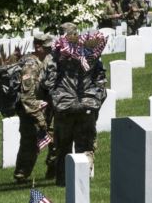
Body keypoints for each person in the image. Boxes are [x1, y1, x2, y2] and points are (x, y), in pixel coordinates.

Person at [44, 22, 107, 186]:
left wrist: (56, 101)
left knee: (64, 146)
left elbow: (48, 83)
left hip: (65, 107)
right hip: (85, 106)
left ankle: (64, 179)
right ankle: (81, 181)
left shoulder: (55, 56)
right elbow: (100, 83)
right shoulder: (91, 54)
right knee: (84, 145)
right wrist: (95, 103)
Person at [14, 33, 56, 183]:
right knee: (29, 141)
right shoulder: (30, 65)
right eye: (46, 47)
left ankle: (53, 170)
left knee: (55, 139)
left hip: (47, 108)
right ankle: (21, 174)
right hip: (30, 111)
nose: (50, 50)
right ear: (38, 47)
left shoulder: (47, 59)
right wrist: (39, 118)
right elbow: (27, 97)